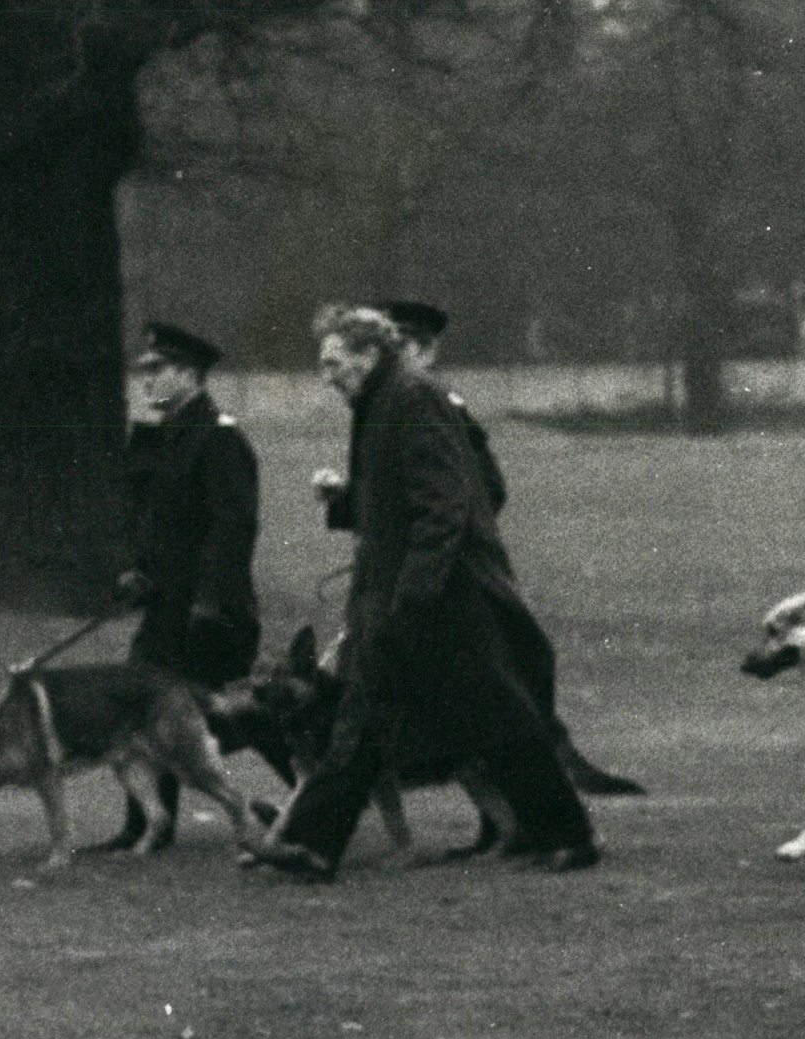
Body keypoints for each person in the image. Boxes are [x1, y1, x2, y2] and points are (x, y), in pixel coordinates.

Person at [248, 304, 600, 881]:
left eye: (333, 362)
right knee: (365, 716)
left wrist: (410, 598)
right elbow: (394, 499)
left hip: (445, 598)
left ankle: (569, 835)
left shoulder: (411, 397)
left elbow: (445, 506)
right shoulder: (381, 400)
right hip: (409, 594)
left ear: (369, 354)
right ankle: (310, 846)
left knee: (499, 717)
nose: (326, 374)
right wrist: (345, 504)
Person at [363, 300, 644, 799]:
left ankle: (551, 815)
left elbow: (484, 485)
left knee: (497, 692)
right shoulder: (398, 402)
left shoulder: (433, 403)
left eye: (400, 345)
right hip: (433, 563)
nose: (386, 356)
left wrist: (454, 533)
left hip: (457, 568)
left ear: (426, 351)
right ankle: (524, 819)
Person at [86, 321, 287, 853]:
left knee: (245, 718)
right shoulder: (164, 437)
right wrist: (133, 571)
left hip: (210, 612)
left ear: (191, 374)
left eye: (158, 370)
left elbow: (233, 528)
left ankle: (317, 796)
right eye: (144, 370)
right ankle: (149, 825)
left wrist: (211, 602)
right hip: (166, 606)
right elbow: (144, 520)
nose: (146, 380)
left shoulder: (219, 438)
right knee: (147, 708)